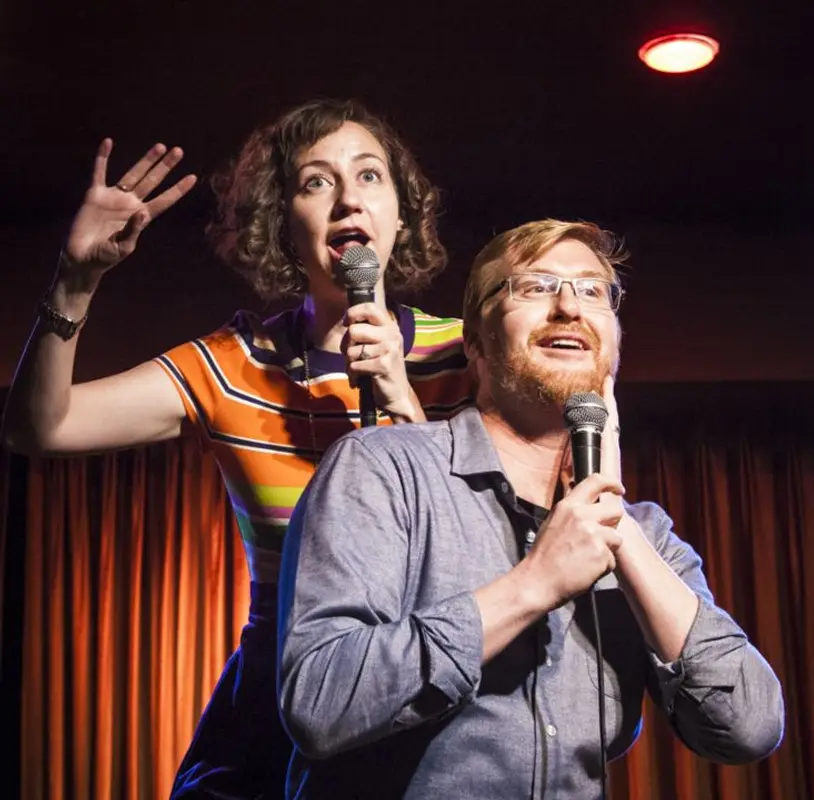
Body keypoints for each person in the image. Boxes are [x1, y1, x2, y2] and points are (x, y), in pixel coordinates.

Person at [2, 99, 472, 797]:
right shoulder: (232, 364)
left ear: (402, 214)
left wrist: (406, 404)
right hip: (275, 706)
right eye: (316, 182)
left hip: (432, 697)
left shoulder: (470, 354)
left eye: (370, 176)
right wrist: (75, 282)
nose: (347, 197)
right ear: (281, 226)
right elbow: (40, 428)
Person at [278, 219, 785, 797]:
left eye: (594, 291)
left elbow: (749, 726)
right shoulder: (384, 470)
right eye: (535, 287)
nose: (569, 305)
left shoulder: (645, 534)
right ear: (475, 341)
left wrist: (618, 529)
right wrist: (534, 585)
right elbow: (320, 701)